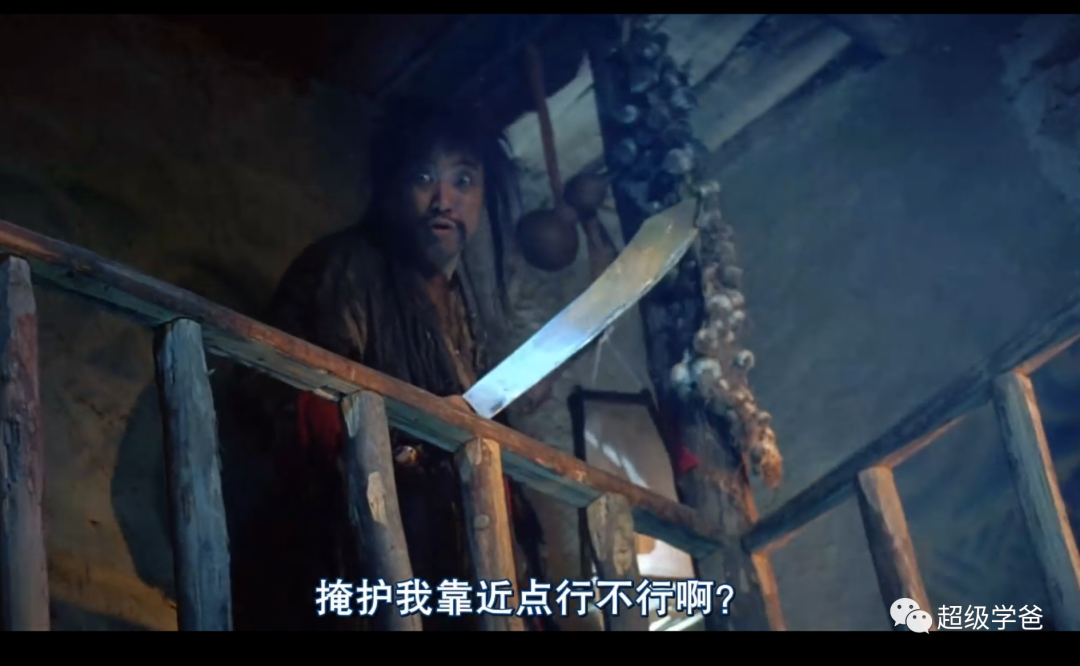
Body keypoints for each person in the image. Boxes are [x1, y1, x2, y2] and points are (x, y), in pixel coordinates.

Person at [227, 97, 554, 631]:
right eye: (424, 177)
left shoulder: (464, 308)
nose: (443, 200)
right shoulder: (345, 267)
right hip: (360, 558)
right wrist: (410, 431)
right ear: (394, 187)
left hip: (454, 569)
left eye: (463, 180)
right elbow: (285, 399)